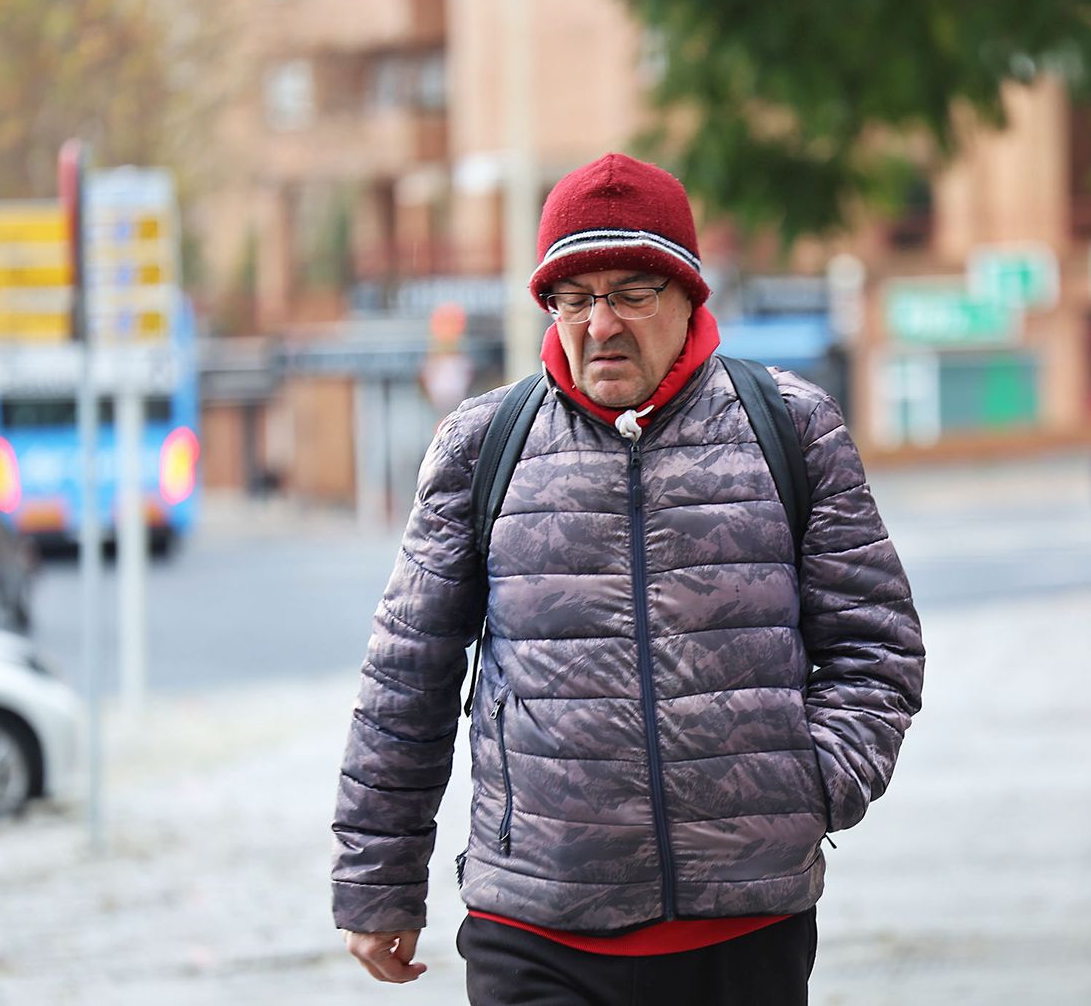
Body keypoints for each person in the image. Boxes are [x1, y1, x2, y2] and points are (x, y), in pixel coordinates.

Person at [332, 153, 925, 1004]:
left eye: (630, 294)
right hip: (535, 923)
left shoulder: (791, 428)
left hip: (743, 929)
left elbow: (878, 645)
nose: (600, 323)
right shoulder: (481, 446)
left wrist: (810, 784)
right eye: (576, 298)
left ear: (687, 295)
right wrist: (377, 881)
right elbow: (406, 680)